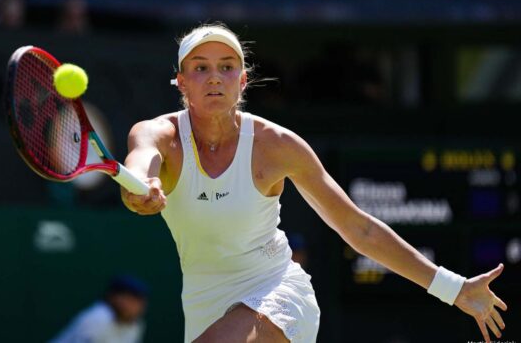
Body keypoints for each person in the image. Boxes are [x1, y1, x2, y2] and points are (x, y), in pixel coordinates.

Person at [121, 23, 508, 343]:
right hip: (203, 307)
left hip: (277, 294)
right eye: (200, 68)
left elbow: (358, 228)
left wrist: (454, 288)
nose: (214, 78)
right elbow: (138, 169)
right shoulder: (158, 134)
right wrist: (140, 187)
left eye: (226, 67)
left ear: (243, 80)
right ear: (181, 82)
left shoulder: (278, 145)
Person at [49, 274, 148, 343]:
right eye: (129, 299)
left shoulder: (136, 325)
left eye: (139, 301)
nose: (135, 306)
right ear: (112, 297)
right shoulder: (97, 319)